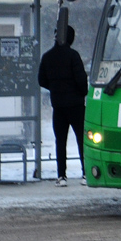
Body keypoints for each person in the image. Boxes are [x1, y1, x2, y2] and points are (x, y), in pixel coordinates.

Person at [38, 26, 89, 186]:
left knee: (60, 140)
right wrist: (81, 92)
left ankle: (61, 176)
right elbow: (81, 80)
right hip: (76, 105)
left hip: (58, 105)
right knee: (82, 139)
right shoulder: (73, 56)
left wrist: (55, 88)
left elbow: (41, 80)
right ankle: (86, 173)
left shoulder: (47, 57)